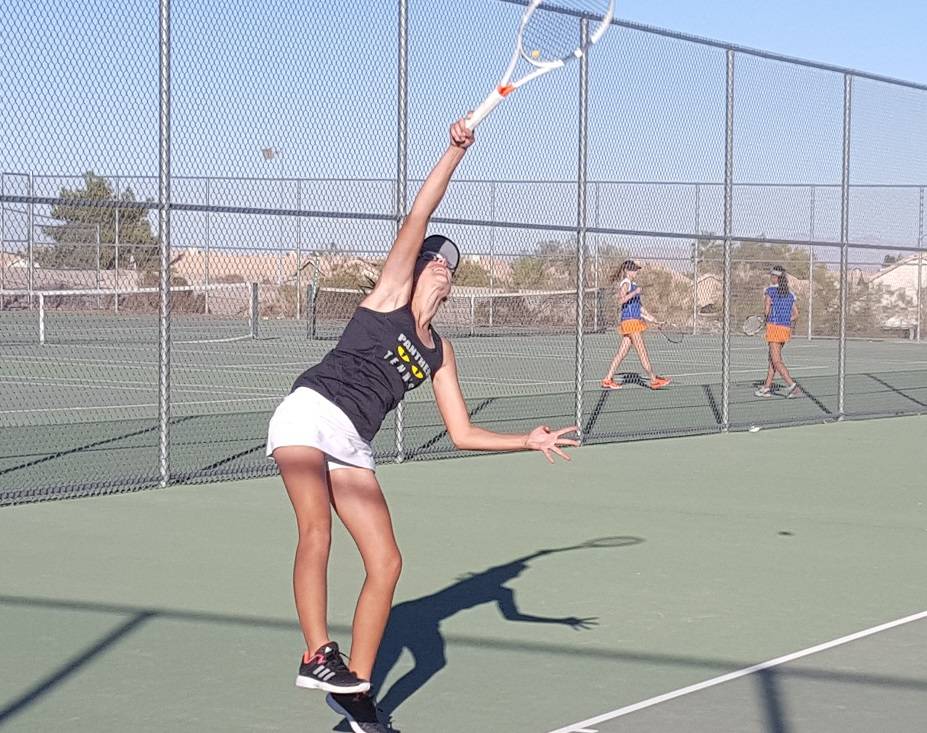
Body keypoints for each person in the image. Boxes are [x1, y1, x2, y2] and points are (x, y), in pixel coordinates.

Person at [266, 118, 578, 733]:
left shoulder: (440, 350)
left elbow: (461, 432)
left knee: (386, 562)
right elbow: (419, 211)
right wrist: (453, 152)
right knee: (318, 531)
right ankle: (315, 654)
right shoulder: (386, 297)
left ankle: (354, 691)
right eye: (431, 259)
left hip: (352, 443)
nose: (438, 265)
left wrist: (528, 439)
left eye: (446, 264)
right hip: (310, 412)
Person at [600, 260, 671, 391]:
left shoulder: (633, 284)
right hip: (630, 323)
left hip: (634, 321)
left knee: (621, 353)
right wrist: (634, 292)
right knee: (642, 351)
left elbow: (639, 308)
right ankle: (654, 380)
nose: (636, 272)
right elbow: (621, 300)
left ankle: (607, 379)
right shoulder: (626, 283)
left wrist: (653, 319)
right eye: (634, 269)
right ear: (627, 271)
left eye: (637, 269)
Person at [755, 265, 801, 399]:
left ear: (776, 277)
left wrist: (769, 319)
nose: (771, 277)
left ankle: (792, 386)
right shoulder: (790, 294)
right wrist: (784, 319)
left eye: (772, 276)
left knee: (776, 360)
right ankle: (766, 388)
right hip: (785, 329)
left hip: (774, 328)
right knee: (772, 360)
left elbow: (766, 310)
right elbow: (796, 315)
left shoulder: (770, 291)